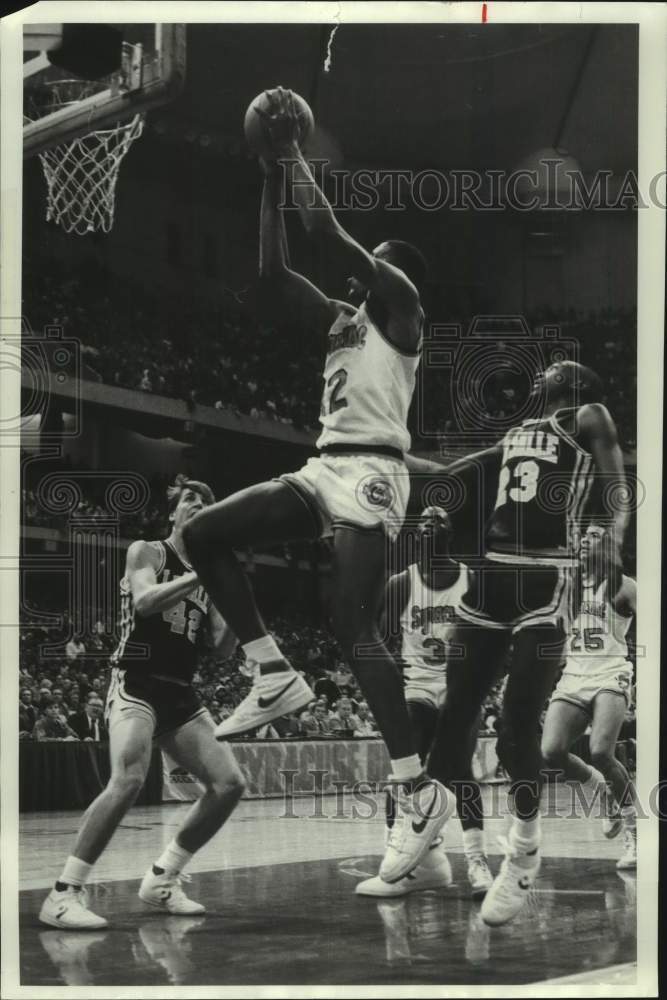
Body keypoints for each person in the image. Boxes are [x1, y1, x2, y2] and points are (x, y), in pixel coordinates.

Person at [184, 87, 451, 843]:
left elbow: (327, 234)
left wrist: (291, 148)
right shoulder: (343, 320)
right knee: (204, 534)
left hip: (372, 471)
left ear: (392, 273)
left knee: (351, 625)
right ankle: (272, 670)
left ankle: (414, 785)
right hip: (321, 465)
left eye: (374, 263)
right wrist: (269, 177)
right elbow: (272, 273)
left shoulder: (401, 310)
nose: (359, 274)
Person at [382, 360, 631, 926]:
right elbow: (459, 470)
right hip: (491, 574)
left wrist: (615, 535)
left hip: (548, 575)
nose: (544, 371)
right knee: (453, 726)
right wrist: (395, 460)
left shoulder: (586, 417)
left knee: (518, 726)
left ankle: (521, 853)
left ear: (574, 382)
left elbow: (617, 480)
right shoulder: (514, 436)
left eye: (556, 369)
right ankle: (429, 841)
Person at [39, 475, 245, 930]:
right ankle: (63, 893)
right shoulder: (148, 551)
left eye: (206, 500)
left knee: (229, 784)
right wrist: (203, 575)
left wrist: (235, 597)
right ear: (173, 511)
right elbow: (148, 600)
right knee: (128, 778)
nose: (197, 503)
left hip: (180, 691)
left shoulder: (208, 574)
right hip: (136, 679)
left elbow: (222, 647)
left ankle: (162, 879)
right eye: (189, 498)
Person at [356, 507, 492, 899]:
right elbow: (376, 639)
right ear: (416, 536)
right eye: (424, 522)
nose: (429, 524)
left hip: (459, 687)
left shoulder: (470, 579)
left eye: (438, 521)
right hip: (417, 685)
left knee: (461, 771)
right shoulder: (402, 583)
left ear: (450, 533)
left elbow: (490, 636)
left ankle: (477, 862)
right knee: (403, 774)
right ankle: (398, 860)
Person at [541, 524, 637, 870]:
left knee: (600, 751)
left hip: (610, 672)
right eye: (582, 536)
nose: (584, 540)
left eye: (594, 536)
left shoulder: (624, 586)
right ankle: (601, 789)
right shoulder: (568, 586)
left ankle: (634, 833)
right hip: (574, 676)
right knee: (551, 751)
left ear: (608, 546)